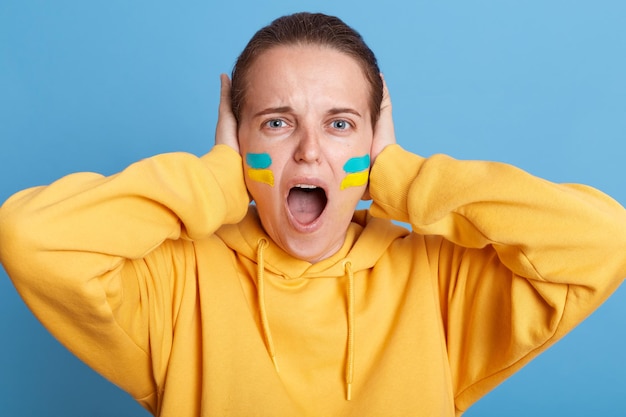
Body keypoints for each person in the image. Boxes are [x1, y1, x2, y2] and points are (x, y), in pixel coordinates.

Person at [0, 11, 624, 417]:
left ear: (372, 145)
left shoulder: (439, 284)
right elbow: (31, 237)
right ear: (240, 138)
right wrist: (217, 179)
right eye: (277, 122)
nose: (308, 150)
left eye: (340, 124)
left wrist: (404, 177)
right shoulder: (176, 284)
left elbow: (603, 239)